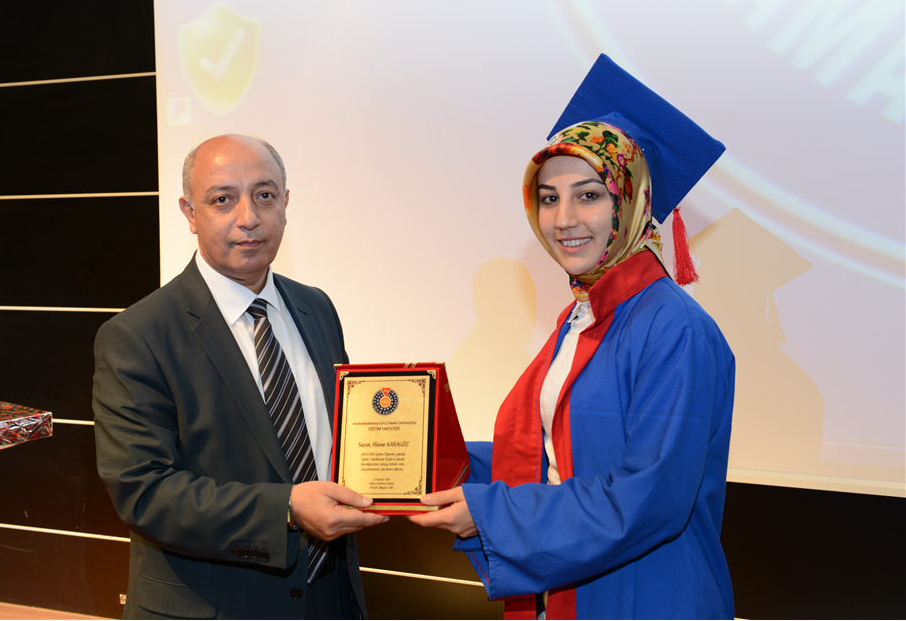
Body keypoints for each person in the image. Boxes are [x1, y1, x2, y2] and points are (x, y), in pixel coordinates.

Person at [410, 56, 736, 619]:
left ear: (630, 201)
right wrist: (428, 459)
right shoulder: (581, 317)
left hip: (649, 596)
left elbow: (647, 497)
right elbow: (551, 455)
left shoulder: (673, 326)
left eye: (588, 195)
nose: (563, 219)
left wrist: (489, 514)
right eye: (548, 197)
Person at [93, 135, 387, 620]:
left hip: (331, 594)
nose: (248, 217)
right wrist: (286, 508)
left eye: (265, 195)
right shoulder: (137, 335)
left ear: (286, 204)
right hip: (214, 606)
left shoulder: (316, 306)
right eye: (222, 199)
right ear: (190, 213)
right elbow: (144, 491)